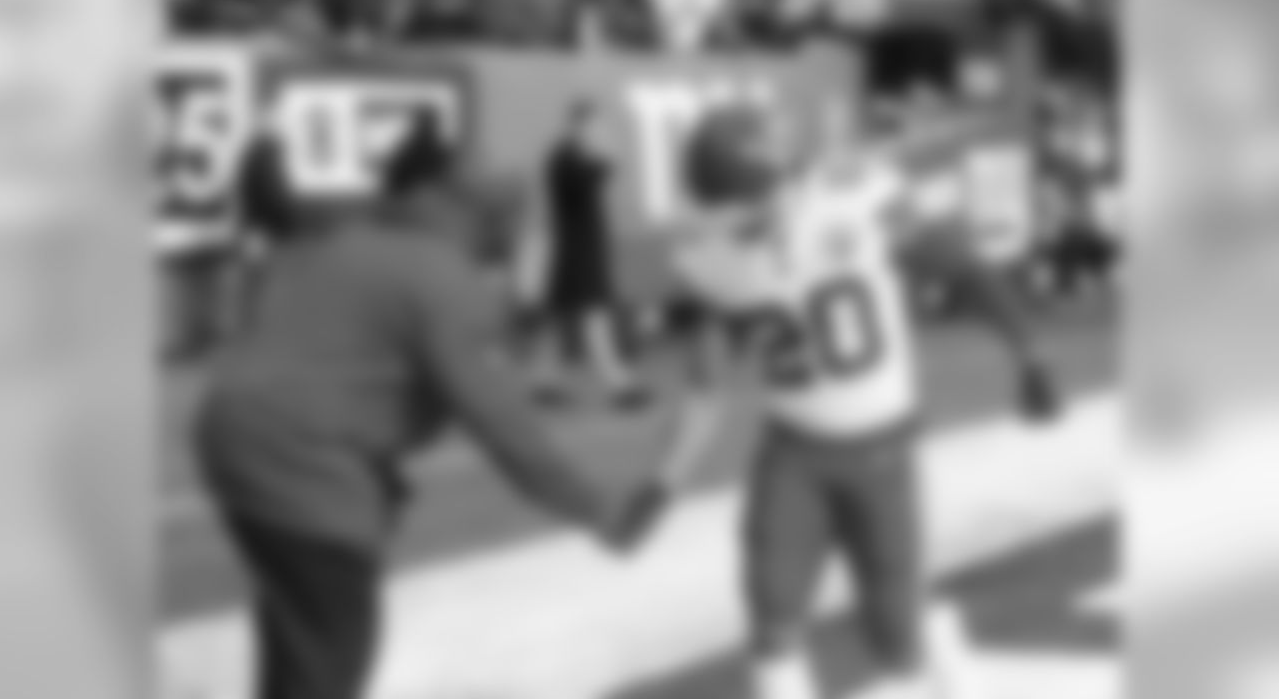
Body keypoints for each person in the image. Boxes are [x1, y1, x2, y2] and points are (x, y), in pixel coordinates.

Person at [195, 113, 664, 699]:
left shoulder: (357, 234)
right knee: (332, 655)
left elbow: (282, 221)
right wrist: (602, 513)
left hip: (229, 436)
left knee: (299, 634)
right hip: (303, 465)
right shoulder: (444, 280)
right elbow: (505, 428)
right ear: (458, 202)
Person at [657, 102, 1061, 699]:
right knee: (772, 613)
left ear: (784, 180)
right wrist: (664, 479)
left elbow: (961, 268)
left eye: (748, 202)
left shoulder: (854, 200)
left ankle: (945, 655)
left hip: (881, 448)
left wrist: (1030, 352)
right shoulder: (706, 252)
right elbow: (707, 376)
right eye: (725, 207)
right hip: (793, 450)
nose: (738, 220)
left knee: (897, 639)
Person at [538, 99, 648, 407]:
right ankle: (620, 386)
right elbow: (588, 181)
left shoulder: (573, 156)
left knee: (565, 321)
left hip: (582, 249)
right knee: (594, 318)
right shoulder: (564, 158)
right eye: (593, 125)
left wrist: (603, 157)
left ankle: (547, 382)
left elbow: (595, 180)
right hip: (578, 252)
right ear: (577, 125)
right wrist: (607, 157)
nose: (597, 131)